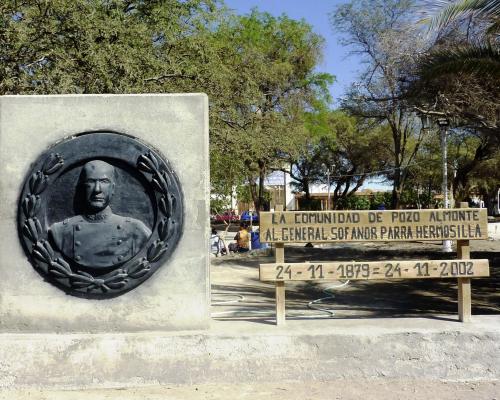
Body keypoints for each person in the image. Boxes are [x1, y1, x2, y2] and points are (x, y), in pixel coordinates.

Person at [49, 160, 151, 269]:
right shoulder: (61, 231)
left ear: (113, 188)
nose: (97, 189)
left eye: (104, 181)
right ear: (82, 187)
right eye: (91, 181)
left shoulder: (136, 230)